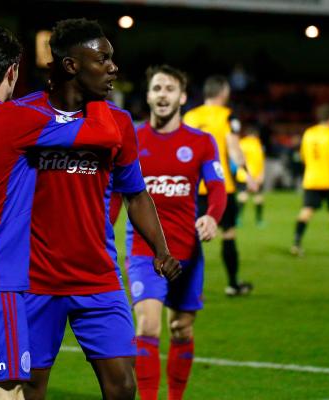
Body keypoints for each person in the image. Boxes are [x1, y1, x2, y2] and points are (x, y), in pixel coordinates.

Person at [0, 19, 181, 400]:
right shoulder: (22, 116)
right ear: (71, 65)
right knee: (27, 390)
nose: (113, 67)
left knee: (124, 386)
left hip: (98, 276)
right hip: (34, 280)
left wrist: (161, 250)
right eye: (103, 59)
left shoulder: (120, 122)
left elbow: (136, 192)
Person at [121, 65, 226, 400]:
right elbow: (112, 193)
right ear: (148, 96)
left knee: (181, 329)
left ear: (182, 97)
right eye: (156, 88)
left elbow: (218, 188)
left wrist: (211, 217)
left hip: (187, 253)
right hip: (144, 251)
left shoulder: (201, 142)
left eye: (169, 89)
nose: (162, 94)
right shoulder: (131, 139)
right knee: (147, 327)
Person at [183, 75, 256, 296]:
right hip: (220, 187)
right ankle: (233, 284)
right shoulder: (227, 116)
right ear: (223, 92)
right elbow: (234, 149)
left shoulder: (189, 116)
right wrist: (247, 174)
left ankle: (191, 288)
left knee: (191, 238)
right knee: (228, 234)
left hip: (193, 187)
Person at [291, 104, 329, 256]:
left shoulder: (308, 133)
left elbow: (303, 155)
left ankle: (296, 243)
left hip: (311, 178)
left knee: (306, 211)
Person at [236, 126, 266, 227]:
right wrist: (261, 175)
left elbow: (237, 159)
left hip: (242, 174)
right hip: (255, 175)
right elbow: (260, 161)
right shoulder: (257, 144)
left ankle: (238, 218)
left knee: (242, 195)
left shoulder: (241, 143)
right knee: (258, 197)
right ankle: (259, 220)